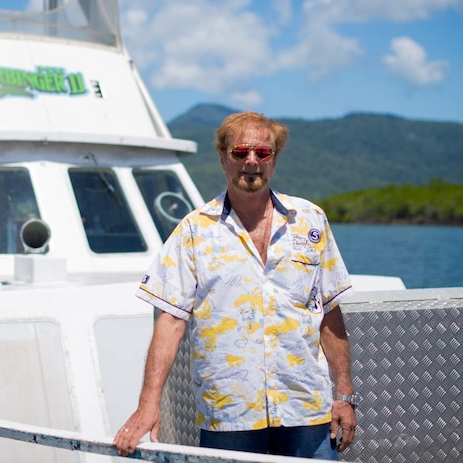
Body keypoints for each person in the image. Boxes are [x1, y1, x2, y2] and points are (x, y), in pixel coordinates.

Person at [113, 111, 358, 459]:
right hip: (230, 415)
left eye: (263, 153)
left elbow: (330, 313)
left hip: (307, 409)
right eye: (240, 153)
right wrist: (147, 406)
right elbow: (170, 320)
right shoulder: (194, 231)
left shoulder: (311, 221)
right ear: (223, 158)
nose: (252, 162)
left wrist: (344, 396)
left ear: (275, 159)